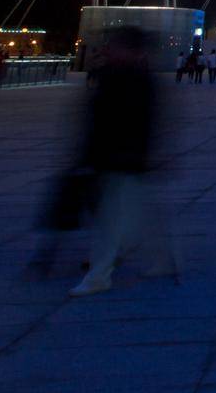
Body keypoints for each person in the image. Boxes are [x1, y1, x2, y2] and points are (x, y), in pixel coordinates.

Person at [69, 27, 176, 295]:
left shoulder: (131, 78)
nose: (109, 49)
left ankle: (98, 276)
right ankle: (163, 259)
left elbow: (130, 120)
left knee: (111, 218)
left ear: (130, 50)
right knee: (137, 212)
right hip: (123, 157)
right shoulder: (133, 76)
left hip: (120, 156)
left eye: (115, 46)